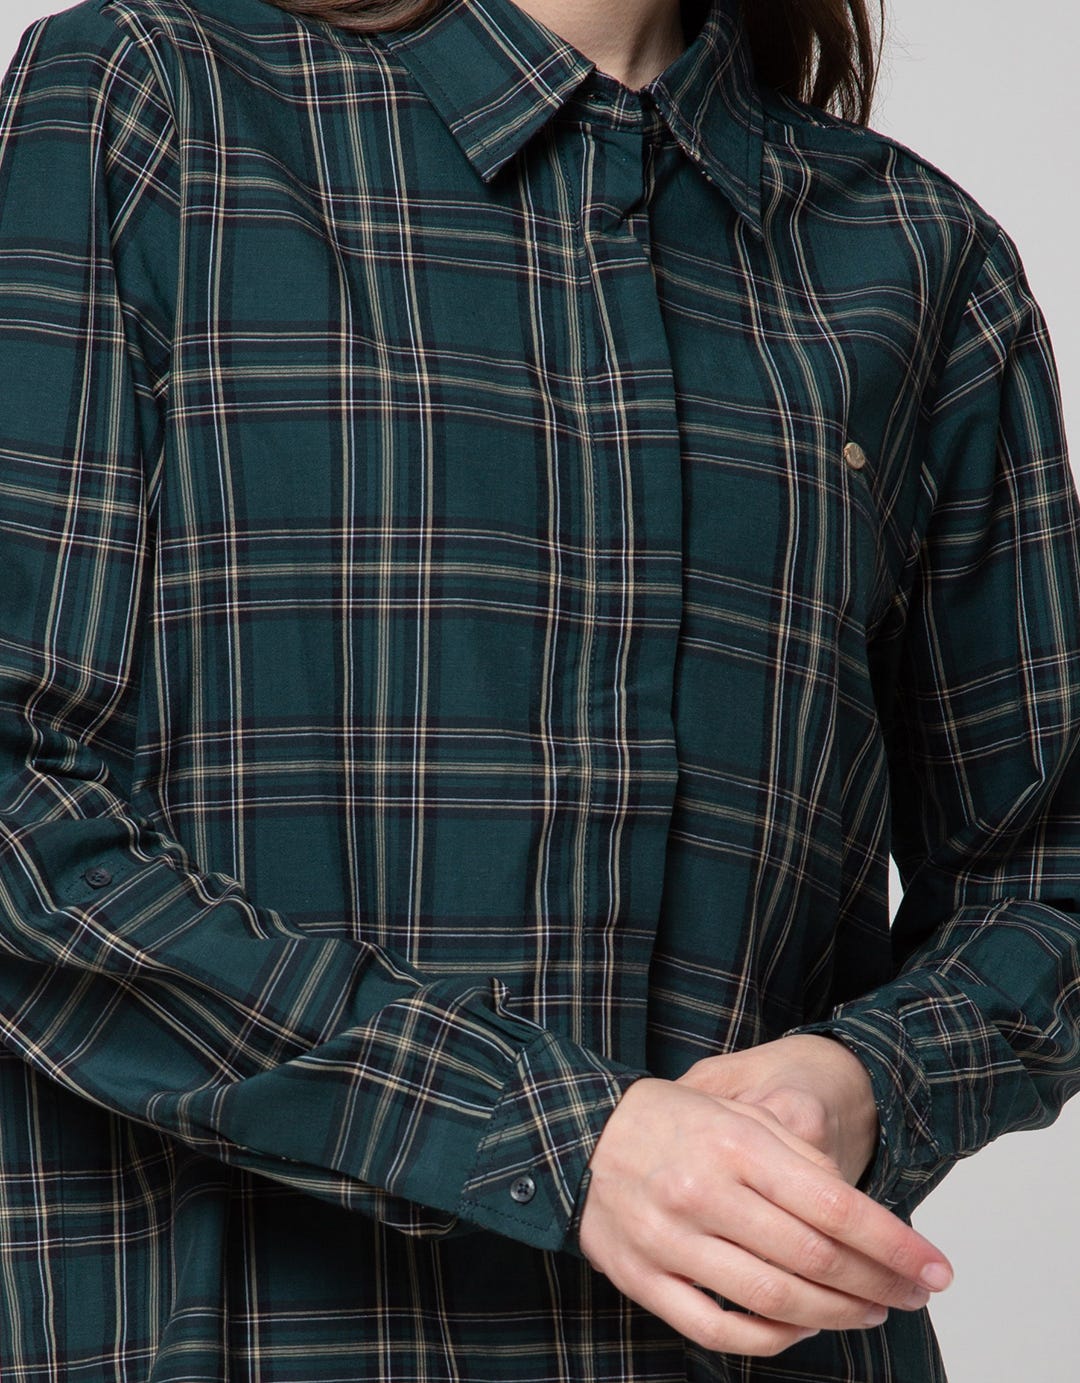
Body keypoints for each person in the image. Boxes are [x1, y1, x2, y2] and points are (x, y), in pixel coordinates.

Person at [0, 0, 1075, 1378]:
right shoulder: (152, 109)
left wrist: (868, 1081)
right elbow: (24, 808)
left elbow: (1045, 873)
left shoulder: (914, 255)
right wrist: (559, 1141)